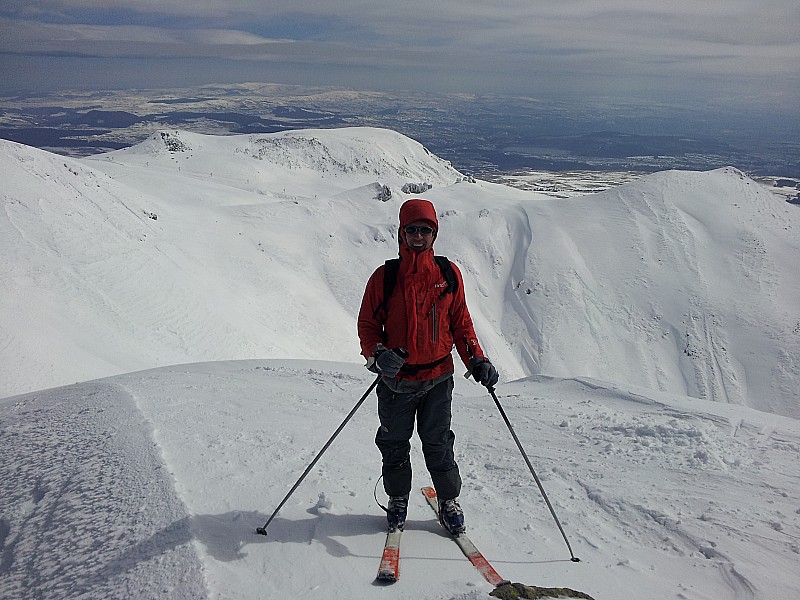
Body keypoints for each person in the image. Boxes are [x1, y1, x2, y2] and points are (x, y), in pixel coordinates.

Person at [357, 198, 499, 534]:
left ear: (434, 234)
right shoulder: (385, 277)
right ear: (401, 234)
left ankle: (448, 500)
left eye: (425, 230)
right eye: (412, 230)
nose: (418, 236)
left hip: (438, 377)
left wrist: (477, 359)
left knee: (438, 443)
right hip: (396, 382)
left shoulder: (448, 273)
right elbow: (367, 325)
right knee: (394, 443)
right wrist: (377, 355)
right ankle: (398, 498)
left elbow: (461, 322)